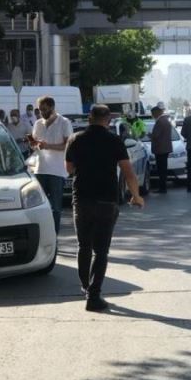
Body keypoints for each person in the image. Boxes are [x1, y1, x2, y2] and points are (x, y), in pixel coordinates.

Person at [65, 104, 144, 311]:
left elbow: (69, 168)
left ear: (89, 118)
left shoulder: (75, 139)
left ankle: (85, 286)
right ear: (108, 120)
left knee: (83, 246)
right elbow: (128, 171)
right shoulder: (114, 140)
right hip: (106, 200)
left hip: (81, 199)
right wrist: (136, 196)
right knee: (101, 251)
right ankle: (94, 296)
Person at [29, 96, 73, 235]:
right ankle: (41, 234)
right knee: (38, 206)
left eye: (44, 109)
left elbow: (67, 145)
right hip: (39, 168)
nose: (42, 112)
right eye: (40, 110)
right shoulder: (38, 123)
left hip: (56, 170)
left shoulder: (64, 122)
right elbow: (35, 145)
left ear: (52, 108)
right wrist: (33, 144)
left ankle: (53, 235)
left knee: (55, 207)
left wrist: (48, 146)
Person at [150, 102, 173, 193]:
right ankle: (163, 187)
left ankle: (162, 188)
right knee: (163, 169)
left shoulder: (160, 121)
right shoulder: (165, 120)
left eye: (153, 113)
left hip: (160, 149)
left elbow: (156, 135)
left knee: (161, 170)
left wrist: (149, 135)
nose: (152, 115)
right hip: (165, 148)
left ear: (156, 112)